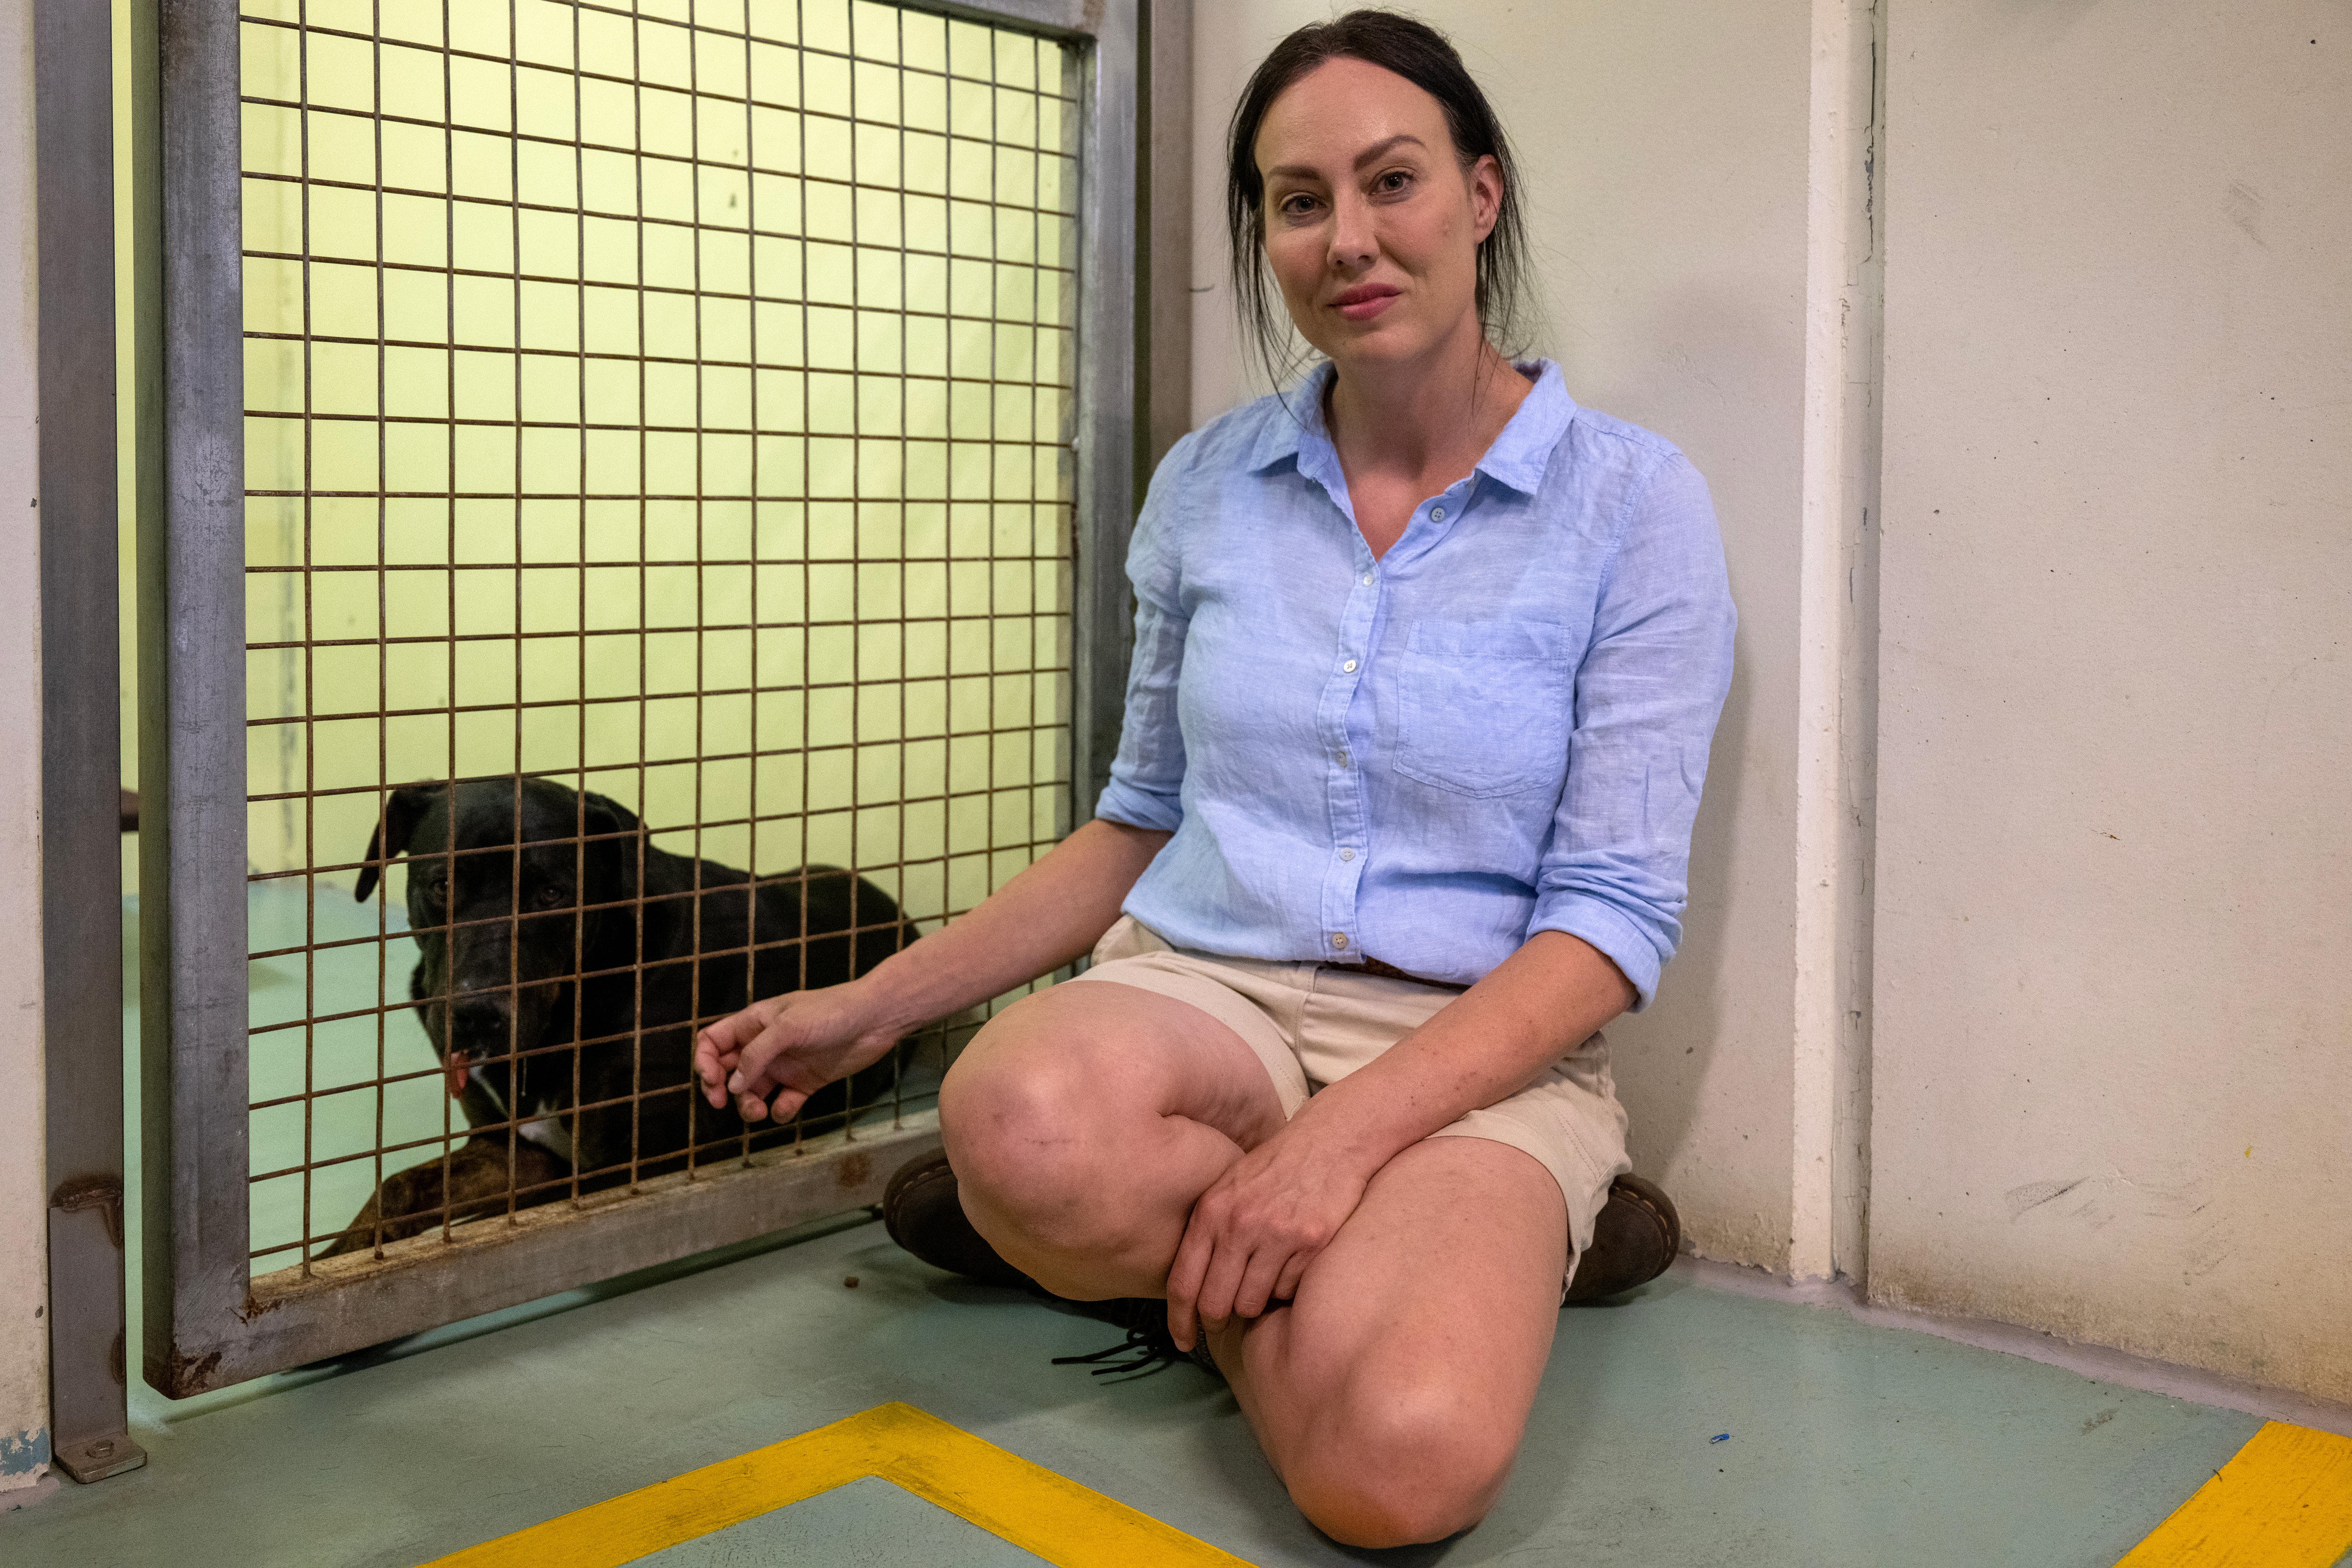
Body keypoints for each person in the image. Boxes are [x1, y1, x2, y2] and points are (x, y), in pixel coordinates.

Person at [693, 10, 1734, 1548]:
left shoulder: (1634, 505)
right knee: (1020, 1120)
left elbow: (1611, 923)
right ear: (1263, 235)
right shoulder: (1209, 484)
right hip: (1209, 997)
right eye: (1299, 202)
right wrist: (875, 1008)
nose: (1349, 239)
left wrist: (1337, 1147)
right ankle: (1294, 1254)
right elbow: (1139, 821)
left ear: (1484, 195)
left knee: (1398, 1471)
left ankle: (1155, 1250)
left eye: (1394, 182)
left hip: (1472, 1050)